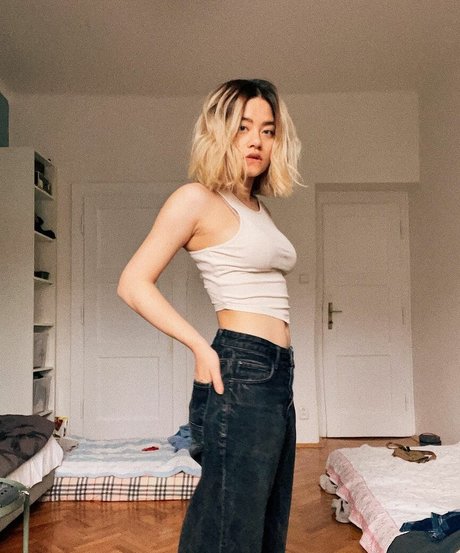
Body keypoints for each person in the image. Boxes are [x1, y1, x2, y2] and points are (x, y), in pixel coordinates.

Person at [117, 79, 301, 553]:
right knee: (228, 523)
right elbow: (133, 283)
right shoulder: (196, 199)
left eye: (267, 130)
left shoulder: (257, 207)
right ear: (220, 132)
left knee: (266, 520)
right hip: (242, 366)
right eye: (243, 127)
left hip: (277, 372)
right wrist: (201, 347)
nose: (257, 140)